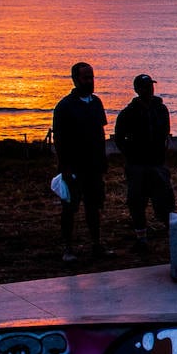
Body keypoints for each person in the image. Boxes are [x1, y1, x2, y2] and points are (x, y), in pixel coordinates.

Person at [52, 62, 112, 262]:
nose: (90, 81)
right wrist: (64, 167)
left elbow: (100, 132)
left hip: (93, 166)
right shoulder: (65, 106)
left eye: (92, 77)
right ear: (75, 80)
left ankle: (96, 244)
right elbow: (59, 139)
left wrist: (103, 160)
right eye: (86, 78)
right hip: (74, 167)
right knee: (70, 208)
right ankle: (67, 247)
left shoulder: (96, 102)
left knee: (94, 207)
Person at [113, 74, 175, 250]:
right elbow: (119, 137)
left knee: (164, 200)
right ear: (137, 90)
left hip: (157, 163)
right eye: (145, 87)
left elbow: (165, 132)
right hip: (137, 164)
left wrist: (161, 152)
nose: (149, 89)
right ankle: (141, 236)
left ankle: (170, 232)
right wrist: (131, 154)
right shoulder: (128, 113)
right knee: (137, 201)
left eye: (150, 86)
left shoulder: (161, 109)